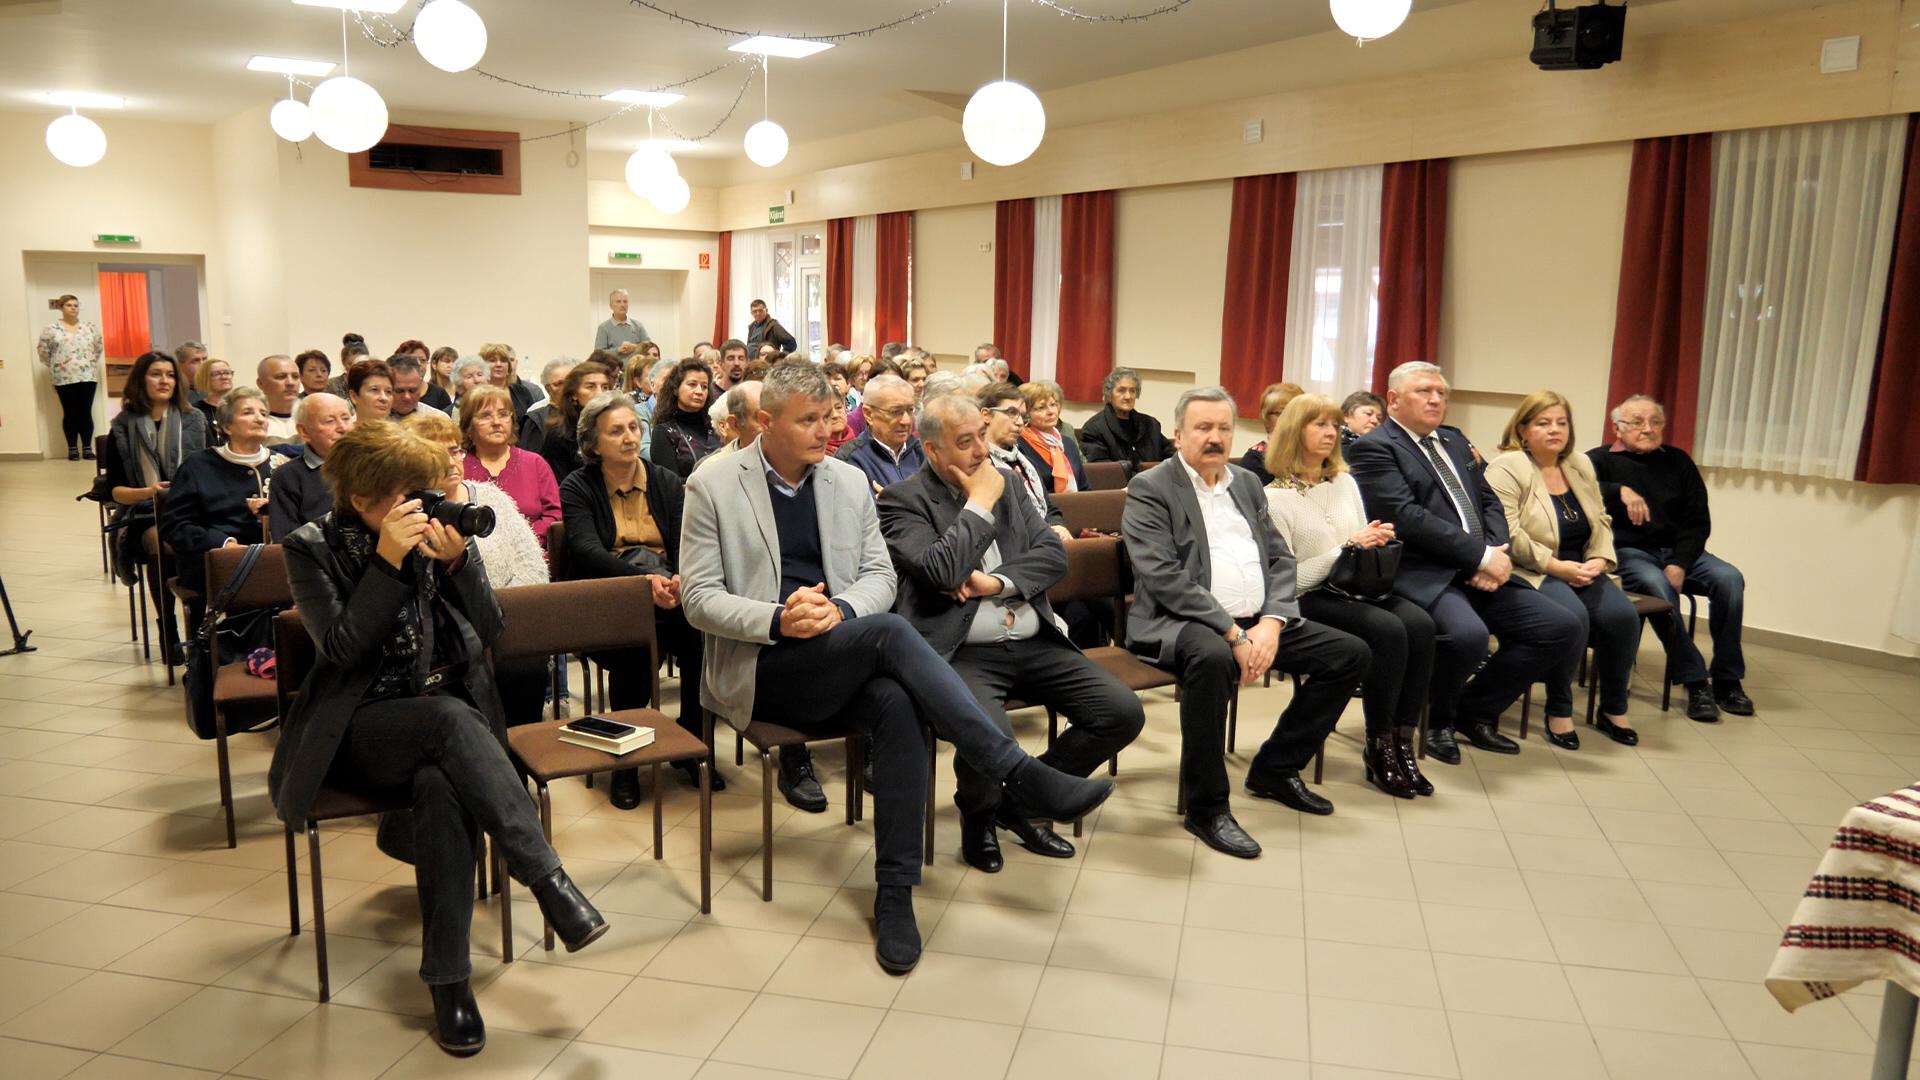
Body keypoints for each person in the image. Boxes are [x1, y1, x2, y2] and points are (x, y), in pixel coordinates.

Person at [680, 362, 1114, 973]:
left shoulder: (846, 481)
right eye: (808, 420)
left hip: (840, 647)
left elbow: (879, 578)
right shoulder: (713, 483)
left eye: (828, 417)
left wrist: (839, 610)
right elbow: (699, 599)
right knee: (890, 633)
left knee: (900, 702)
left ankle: (895, 893)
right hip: (765, 663)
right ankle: (1019, 773)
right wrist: (781, 618)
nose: (826, 430)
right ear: (765, 421)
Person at [267, 422, 607, 1058]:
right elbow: (342, 652)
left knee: (442, 786)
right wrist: (387, 564)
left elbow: (493, 627)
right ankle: (548, 881)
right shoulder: (310, 546)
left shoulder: (434, 530)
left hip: (448, 730)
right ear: (364, 498)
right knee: (450, 720)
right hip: (360, 726)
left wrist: (456, 561)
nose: (427, 504)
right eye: (411, 494)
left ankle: (450, 984)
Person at [878, 395, 1144, 871]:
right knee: (989, 733)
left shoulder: (1010, 484)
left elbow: (1053, 556)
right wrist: (979, 502)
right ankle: (978, 816)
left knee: (1120, 712)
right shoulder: (904, 500)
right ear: (932, 450)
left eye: (981, 435)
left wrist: (995, 583)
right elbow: (942, 570)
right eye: (965, 442)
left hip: (1032, 637)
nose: (981, 450)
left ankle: (1018, 804)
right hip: (962, 650)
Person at [1123, 387, 1371, 856]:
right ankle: (1207, 807)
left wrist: (1272, 623)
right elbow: (1163, 577)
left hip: (1256, 620)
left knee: (1348, 654)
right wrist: (1234, 634)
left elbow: (1280, 558)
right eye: (1203, 428)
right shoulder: (1151, 487)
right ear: (1178, 435)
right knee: (1213, 659)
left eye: (1224, 428)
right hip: (1180, 622)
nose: (1215, 437)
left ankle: (1276, 768)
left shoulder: (1247, 483)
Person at [1348, 362, 1583, 764]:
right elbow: (1406, 517)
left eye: (1441, 393)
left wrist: (1494, 552)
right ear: (1393, 399)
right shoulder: (1375, 447)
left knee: (1559, 627)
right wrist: (1479, 557)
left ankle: (1474, 711)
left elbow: (1489, 500)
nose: (1435, 399)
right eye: (1424, 391)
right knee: (1468, 636)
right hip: (1424, 572)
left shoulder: (1454, 440)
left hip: (1480, 565)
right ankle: (1437, 720)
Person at [1264, 395, 1435, 798]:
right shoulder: (1273, 499)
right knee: (1388, 631)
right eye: (1319, 424)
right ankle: (1378, 745)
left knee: (1422, 625)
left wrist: (1374, 539)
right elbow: (1289, 581)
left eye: (1334, 425)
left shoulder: (1344, 482)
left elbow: (1359, 546)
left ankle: (1402, 741)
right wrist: (1346, 547)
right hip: (1310, 595)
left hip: (1357, 586)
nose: (1331, 433)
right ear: (1294, 432)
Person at [559, 391, 721, 799]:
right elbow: (586, 550)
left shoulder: (665, 481)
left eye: (634, 427)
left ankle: (693, 743)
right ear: (593, 444)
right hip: (609, 595)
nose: (630, 437)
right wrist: (641, 582)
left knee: (704, 638)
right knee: (634, 649)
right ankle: (626, 761)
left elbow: (687, 541)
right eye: (616, 431)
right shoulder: (578, 485)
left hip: (668, 588)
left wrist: (681, 577)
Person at [1486, 392, 1641, 748]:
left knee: (1623, 618)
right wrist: (1557, 567)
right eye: (1543, 423)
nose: (1555, 430)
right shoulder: (1508, 467)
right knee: (1573, 619)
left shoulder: (1579, 464)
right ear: (1523, 430)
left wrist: (1600, 559)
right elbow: (1509, 533)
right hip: (1532, 568)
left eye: (1561, 422)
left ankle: (1613, 709)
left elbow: (1601, 520)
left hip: (1583, 566)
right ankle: (1559, 710)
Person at [1587, 394, 1754, 721]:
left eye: (1655, 422)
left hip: (1680, 552)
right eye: (1637, 422)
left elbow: (1697, 521)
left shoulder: (1678, 461)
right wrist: (1619, 490)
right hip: (1630, 552)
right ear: (1617, 428)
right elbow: (1573, 488)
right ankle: (1695, 680)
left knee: (1730, 579)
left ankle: (1727, 679)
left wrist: (1680, 562)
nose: (1647, 429)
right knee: (1657, 587)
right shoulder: (1598, 460)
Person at [405, 411, 553, 730]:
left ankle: (519, 752)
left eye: (455, 450)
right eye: (437, 454)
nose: (451, 462)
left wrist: (502, 611)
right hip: (450, 638)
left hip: (507, 621)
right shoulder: (409, 514)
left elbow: (532, 564)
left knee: (525, 666)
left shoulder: (490, 497)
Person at [103, 352, 210, 653]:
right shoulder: (123, 426)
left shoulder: (194, 419)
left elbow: (212, 470)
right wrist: (149, 491)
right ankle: (168, 627)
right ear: (141, 380)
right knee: (162, 542)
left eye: (170, 374)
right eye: (155, 374)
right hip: (144, 512)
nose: (164, 380)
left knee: (200, 537)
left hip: (192, 509)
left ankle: (200, 625)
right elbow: (115, 492)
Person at [161, 387, 276, 598]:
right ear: (227, 426)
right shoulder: (197, 466)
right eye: (248, 412)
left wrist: (271, 513)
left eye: (263, 413)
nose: (259, 419)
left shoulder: (282, 464)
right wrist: (223, 543)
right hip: (214, 560)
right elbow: (175, 526)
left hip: (273, 558)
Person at [460, 385, 561, 547]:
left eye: (503, 414)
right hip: (475, 556)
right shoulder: (458, 467)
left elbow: (555, 514)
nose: (496, 422)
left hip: (532, 551)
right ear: (468, 424)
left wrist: (521, 538)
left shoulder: (535, 463)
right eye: (485, 416)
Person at [978, 382, 1070, 539]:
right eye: (1011, 413)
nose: (1020, 422)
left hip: (1043, 538)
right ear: (986, 415)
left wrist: (1058, 526)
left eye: (1022, 416)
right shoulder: (979, 464)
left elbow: (1049, 508)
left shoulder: (1025, 461)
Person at [269, 393, 354, 543]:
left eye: (346, 418)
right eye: (330, 421)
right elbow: (287, 542)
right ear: (304, 432)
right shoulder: (288, 477)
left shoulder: (371, 466)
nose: (343, 428)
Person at [38, 294, 104, 460]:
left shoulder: (90, 328)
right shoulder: (51, 329)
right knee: (70, 412)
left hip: (87, 376)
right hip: (63, 377)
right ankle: (72, 448)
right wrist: (56, 366)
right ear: (61, 308)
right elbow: (43, 352)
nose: (73, 308)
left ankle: (87, 448)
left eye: (76, 305)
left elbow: (98, 348)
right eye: (69, 305)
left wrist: (87, 363)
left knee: (86, 412)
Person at [836, 373, 924, 491]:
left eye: (910, 410)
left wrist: (894, 499)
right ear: (868, 414)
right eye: (895, 412)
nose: (906, 421)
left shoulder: (922, 452)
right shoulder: (851, 459)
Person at [536, 357, 616, 486]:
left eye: (605, 387)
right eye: (591, 386)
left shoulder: (616, 426)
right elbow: (560, 485)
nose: (600, 393)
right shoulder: (559, 433)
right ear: (574, 394)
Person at [1077, 367, 1173, 469]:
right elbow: (1103, 471)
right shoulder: (1094, 429)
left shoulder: (1151, 425)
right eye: (1121, 390)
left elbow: (1173, 458)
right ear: (1109, 394)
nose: (1128, 396)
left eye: (1132, 391)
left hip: (1154, 479)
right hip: (1117, 480)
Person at [649, 357, 723, 478]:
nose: (699, 391)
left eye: (704, 386)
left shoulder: (717, 427)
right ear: (675, 389)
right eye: (692, 384)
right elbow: (670, 482)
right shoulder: (664, 432)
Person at [1016, 381, 1088, 494]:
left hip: (1075, 503)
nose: (1051, 412)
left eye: (1053, 404)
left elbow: (1084, 487)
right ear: (1026, 414)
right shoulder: (1019, 445)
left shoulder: (1067, 443)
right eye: (1041, 408)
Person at [1238, 382, 1305, 487]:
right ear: (1266, 418)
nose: (1290, 419)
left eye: (1296, 413)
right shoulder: (1255, 462)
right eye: (1281, 413)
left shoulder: (1310, 457)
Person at [693, 381, 764, 473]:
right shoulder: (709, 469)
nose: (768, 425)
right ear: (733, 423)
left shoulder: (778, 459)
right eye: (758, 418)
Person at [479, 343, 544, 420]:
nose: (499, 364)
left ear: (509, 367)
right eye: (492, 360)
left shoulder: (522, 392)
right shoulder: (476, 394)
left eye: (503, 361)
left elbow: (533, 420)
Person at [256, 355, 303, 442]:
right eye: (281, 377)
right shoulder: (253, 421)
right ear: (260, 383)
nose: (290, 383)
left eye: (295, 376)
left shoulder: (310, 417)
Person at [192, 357, 236, 445]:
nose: (224, 377)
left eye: (227, 373)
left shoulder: (239, 406)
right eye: (217, 374)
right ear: (205, 379)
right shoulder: (196, 411)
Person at [388, 354, 446, 421]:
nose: (407, 397)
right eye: (400, 391)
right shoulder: (378, 419)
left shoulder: (438, 420)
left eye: (412, 390)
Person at [594, 288, 649, 356]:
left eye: (625, 301)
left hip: (636, 363)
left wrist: (635, 347)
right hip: (613, 363)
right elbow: (598, 354)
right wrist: (617, 350)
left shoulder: (638, 326)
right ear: (611, 306)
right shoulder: (604, 328)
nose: (622, 305)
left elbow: (650, 348)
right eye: (618, 301)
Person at [346, 358, 395, 424]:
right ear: (354, 396)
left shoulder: (399, 430)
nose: (384, 398)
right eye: (374, 390)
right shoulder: (343, 429)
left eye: (388, 392)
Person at [174, 341, 209, 406]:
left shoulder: (212, 389)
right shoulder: (173, 391)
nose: (202, 364)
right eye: (196, 360)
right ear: (180, 365)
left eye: (204, 359)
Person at [426, 346, 458, 411]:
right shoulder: (427, 391)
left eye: (454, 362)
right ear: (434, 364)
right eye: (447, 361)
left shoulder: (461, 391)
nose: (452, 366)